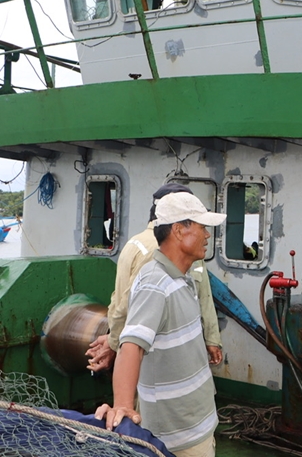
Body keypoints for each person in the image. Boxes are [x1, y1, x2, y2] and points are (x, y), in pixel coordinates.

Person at [95, 192, 227, 457]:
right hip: (177, 439)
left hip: (197, 424)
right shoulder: (156, 285)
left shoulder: (183, 276)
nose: (208, 235)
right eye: (202, 227)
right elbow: (131, 345)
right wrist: (123, 406)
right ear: (179, 230)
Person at [86, 183, 222, 373]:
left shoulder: (136, 242)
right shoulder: (162, 251)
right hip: (157, 356)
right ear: (179, 226)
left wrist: (211, 338)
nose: (207, 234)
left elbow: (202, 295)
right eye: (200, 225)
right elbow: (127, 303)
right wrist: (114, 343)